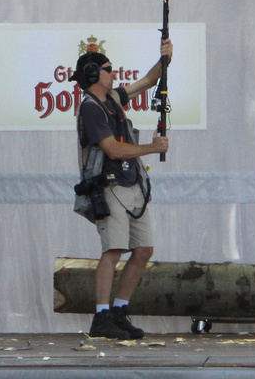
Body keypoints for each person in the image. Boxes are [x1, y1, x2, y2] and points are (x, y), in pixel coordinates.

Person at [74, 39, 172, 341]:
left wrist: (165, 57)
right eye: (107, 69)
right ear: (93, 75)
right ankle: (101, 315)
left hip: (131, 184)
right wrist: (151, 148)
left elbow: (149, 81)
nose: (113, 73)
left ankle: (119, 310)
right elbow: (113, 150)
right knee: (113, 249)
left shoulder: (113, 98)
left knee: (143, 250)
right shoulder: (90, 108)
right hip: (108, 186)